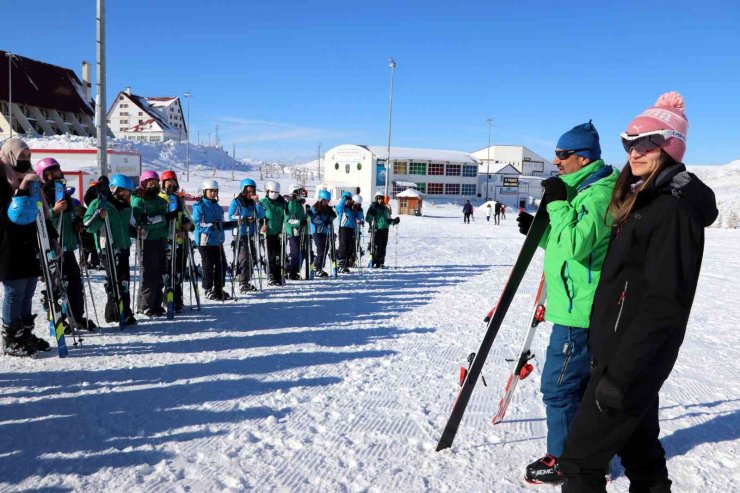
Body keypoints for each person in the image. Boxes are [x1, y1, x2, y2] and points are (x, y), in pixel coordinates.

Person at [558, 93, 717, 492]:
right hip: (619, 353)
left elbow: (665, 304)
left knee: (579, 463)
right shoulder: (642, 200)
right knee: (640, 452)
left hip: (628, 362)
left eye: (648, 142)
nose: (635, 151)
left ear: (670, 147)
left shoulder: (671, 210)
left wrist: (621, 374)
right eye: (629, 142)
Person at [516, 121, 618, 485]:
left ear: (583, 157)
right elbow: (569, 248)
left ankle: (563, 459)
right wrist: (539, 231)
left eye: (562, 155)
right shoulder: (584, 189)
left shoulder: (598, 194)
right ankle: (589, 457)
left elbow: (577, 245)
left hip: (580, 312)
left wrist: (557, 203)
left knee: (558, 389)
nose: (556, 161)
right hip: (574, 305)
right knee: (577, 388)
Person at [0, 139, 52, 355]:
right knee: (15, 290)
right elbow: (11, 213)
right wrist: (21, 190)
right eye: (21, 155)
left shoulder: (32, 178)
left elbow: (40, 210)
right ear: (10, 155)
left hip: (29, 241)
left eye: (27, 156)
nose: (24, 160)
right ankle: (11, 337)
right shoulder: (2, 178)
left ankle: (25, 332)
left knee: (29, 287)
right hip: (7, 242)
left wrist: (52, 237)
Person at [35, 158, 96, 332]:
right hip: (53, 247)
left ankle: (76, 316)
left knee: (75, 282)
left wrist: (76, 224)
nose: (57, 175)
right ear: (44, 176)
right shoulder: (40, 194)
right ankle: (57, 317)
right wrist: (54, 211)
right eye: (52, 173)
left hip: (67, 246)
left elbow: (69, 216)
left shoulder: (65, 194)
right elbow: (41, 221)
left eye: (58, 172)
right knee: (57, 284)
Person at [84, 174, 138, 326]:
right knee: (115, 280)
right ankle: (114, 312)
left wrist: (135, 231)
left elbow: (127, 225)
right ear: (114, 189)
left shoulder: (126, 206)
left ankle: (124, 311)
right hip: (107, 247)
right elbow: (88, 226)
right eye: (123, 192)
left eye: (128, 192)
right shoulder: (100, 203)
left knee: (124, 281)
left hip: (123, 247)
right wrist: (99, 216)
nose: (126, 195)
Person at [131, 171, 171, 316]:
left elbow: (166, 219)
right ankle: (145, 304)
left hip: (161, 239)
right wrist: (162, 219)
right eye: (150, 184)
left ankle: (157, 303)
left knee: (161, 272)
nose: (153, 186)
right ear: (143, 184)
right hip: (146, 240)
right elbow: (142, 223)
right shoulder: (138, 200)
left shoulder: (161, 200)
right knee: (149, 273)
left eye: (155, 183)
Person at [192, 180, 235, 300]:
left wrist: (236, 224)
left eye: (215, 191)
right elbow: (198, 225)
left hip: (217, 241)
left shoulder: (217, 207)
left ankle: (218, 289)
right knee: (208, 265)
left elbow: (221, 225)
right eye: (211, 191)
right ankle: (207, 289)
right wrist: (212, 226)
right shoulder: (199, 206)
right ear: (205, 191)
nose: (213, 193)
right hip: (205, 242)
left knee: (222, 265)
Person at [159, 170, 193, 310]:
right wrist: (172, 234)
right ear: (163, 184)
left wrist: (189, 226)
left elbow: (188, 217)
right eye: (169, 184)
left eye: (174, 184)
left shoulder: (179, 200)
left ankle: (177, 299)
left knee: (179, 272)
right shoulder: (160, 199)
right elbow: (160, 222)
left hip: (181, 242)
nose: (171, 186)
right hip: (166, 242)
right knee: (167, 272)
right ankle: (168, 299)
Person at [228, 178, 265, 292]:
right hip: (240, 234)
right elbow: (231, 216)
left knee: (253, 256)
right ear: (243, 190)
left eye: (252, 191)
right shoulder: (236, 202)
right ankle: (243, 282)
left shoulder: (254, 203)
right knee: (244, 257)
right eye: (248, 191)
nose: (250, 194)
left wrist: (258, 202)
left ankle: (245, 279)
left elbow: (261, 214)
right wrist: (242, 218)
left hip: (251, 234)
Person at [260, 181, 287, 285]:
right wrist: (260, 227)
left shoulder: (282, 203)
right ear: (267, 191)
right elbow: (258, 216)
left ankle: (278, 275)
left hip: (278, 233)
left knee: (279, 255)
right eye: (272, 191)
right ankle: (271, 275)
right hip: (267, 234)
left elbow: (287, 214)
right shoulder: (263, 202)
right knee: (271, 255)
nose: (274, 194)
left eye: (276, 192)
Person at [365, 191, 399, 268]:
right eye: (379, 198)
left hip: (385, 229)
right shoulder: (373, 207)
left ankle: (380, 263)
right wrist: (371, 213)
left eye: (381, 198)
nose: (380, 200)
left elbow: (388, 219)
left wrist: (394, 221)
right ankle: (373, 261)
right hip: (377, 229)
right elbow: (367, 219)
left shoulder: (385, 209)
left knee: (383, 247)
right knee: (377, 247)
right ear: (376, 199)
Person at [284, 183, 308, 280]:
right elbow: (289, 220)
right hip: (293, 231)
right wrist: (299, 222)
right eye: (300, 191)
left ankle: (293, 272)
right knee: (295, 253)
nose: (302, 193)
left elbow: (301, 217)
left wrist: (307, 216)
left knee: (299, 253)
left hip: (299, 231)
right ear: (295, 192)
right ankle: (290, 272)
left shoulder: (298, 203)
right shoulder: (292, 203)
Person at [335, 191, 363, 273]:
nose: (348, 201)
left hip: (352, 229)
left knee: (348, 247)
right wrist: (344, 199)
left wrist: (359, 211)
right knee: (343, 247)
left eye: (349, 200)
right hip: (344, 229)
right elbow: (338, 208)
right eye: (347, 200)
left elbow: (360, 217)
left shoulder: (352, 209)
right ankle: (340, 265)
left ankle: (345, 264)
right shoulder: (343, 208)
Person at [310, 189, 336, 277]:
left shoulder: (327, 208)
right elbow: (314, 220)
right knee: (321, 249)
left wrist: (330, 218)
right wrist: (323, 221)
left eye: (327, 201)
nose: (326, 202)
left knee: (325, 249)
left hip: (324, 231)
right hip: (316, 231)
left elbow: (333, 215)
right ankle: (317, 268)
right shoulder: (315, 208)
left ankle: (320, 267)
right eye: (325, 200)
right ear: (320, 199)